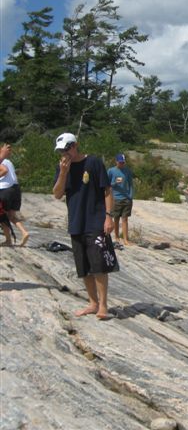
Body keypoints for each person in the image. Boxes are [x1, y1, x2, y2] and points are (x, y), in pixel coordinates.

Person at [52, 133, 116, 320]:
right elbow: (57, 194)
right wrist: (63, 173)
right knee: (84, 267)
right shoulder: (62, 168)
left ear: (75, 146)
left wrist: (108, 216)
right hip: (76, 222)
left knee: (99, 266)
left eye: (66, 149)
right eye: (61, 151)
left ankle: (103, 306)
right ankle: (92, 303)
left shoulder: (94, 162)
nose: (64, 153)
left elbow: (107, 190)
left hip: (96, 220)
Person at [0, 143, 29, 246]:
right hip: (16, 189)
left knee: (2, 216)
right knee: (11, 216)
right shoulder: (8, 161)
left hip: (5, 190)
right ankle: (24, 232)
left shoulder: (2, 161)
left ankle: (8, 240)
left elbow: (4, 170)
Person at [107, 153, 134, 246]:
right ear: (116, 161)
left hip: (126, 198)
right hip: (116, 198)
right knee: (116, 218)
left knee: (125, 219)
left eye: (123, 162)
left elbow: (130, 184)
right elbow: (107, 184)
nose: (122, 164)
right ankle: (117, 237)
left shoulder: (128, 171)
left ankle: (126, 239)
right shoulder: (111, 171)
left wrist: (130, 196)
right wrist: (115, 183)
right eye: (120, 162)